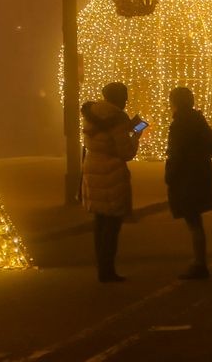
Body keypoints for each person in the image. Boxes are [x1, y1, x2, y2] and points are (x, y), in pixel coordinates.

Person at [81, 82, 144, 282]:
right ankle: (108, 270)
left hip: (92, 169)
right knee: (112, 224)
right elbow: (126, 152)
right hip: (111, 173)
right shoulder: (117, 119)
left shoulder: (93, 114)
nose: (126, 101)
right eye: (124, 97)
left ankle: (102, 266)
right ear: (117, 98)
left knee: (99, 221)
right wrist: (135, 134)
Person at [165, 86, 212, 280]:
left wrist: (169, 175)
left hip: (186, 178)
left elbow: (176, 154)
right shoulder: (201, 122)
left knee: (193, 222)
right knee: (196, 221)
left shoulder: (179, 125)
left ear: (175, 103)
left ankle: (199, 263)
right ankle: (200, 261)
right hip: (201, 175)